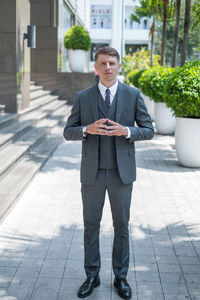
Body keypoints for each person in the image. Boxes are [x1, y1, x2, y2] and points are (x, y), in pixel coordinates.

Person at [63, 46, 154, 299]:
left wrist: (126, 131)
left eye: (112, 63)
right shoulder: (83, 97)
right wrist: (86, 129)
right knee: (91, 226)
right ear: (96, 67)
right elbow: (68, 131)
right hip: (91, 174)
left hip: (121, 174)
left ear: (119, 66)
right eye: (102, 63)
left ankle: (121, 277)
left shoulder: (133, 95)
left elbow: (148, 130)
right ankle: (92, 276)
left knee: (121, 226)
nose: (108, 68)